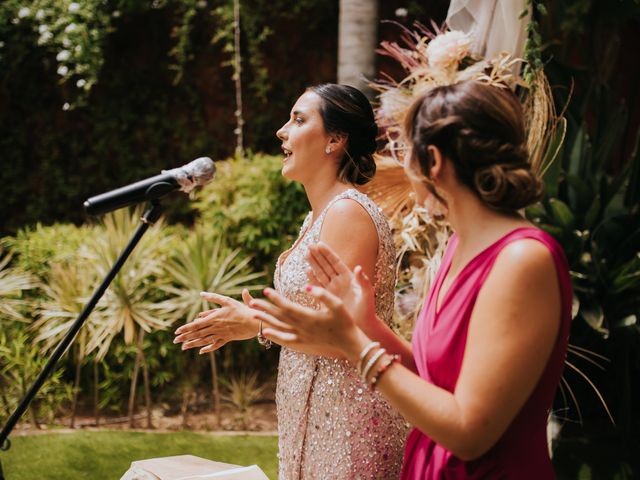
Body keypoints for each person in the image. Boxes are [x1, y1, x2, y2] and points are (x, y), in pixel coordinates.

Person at [250, 80, 572, 479]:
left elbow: (471, 434)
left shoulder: (522, 260)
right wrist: (365, 324)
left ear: (432, 161)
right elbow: (430, 374)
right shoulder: (459, 247)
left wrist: (354, 344)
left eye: (405, 150)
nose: (399, 165)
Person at [173, 84, 407, 479]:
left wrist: (259, 326)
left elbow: (347, 338)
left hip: (348, 421)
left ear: (335, 139)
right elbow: (312, 317)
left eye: (298, 120)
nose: (282, 131)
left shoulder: (347, 214)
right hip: (312, 414)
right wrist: (256, 318)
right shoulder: (316, 217)